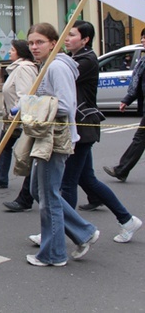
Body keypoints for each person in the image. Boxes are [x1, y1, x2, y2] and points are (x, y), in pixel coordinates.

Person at [58, 21, 141, 243]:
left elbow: (64, 76)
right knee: (87, 180)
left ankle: (63, 230)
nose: (66, 38)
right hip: (80, 125)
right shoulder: (75, 59)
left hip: (83, 126)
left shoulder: (86, 61)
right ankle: (127, 220)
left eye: (72, 35)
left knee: (67, 182)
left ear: (85, 40)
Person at [24, 23, 98, 267]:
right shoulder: (47, 65)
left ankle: (53, 254)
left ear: (53, 43)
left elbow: (66, 106)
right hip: (47, 137)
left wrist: (31, 106)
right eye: (31, 43)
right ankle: (83, 231)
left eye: (40, 42)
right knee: (38, 190)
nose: (34, 47)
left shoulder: (57, 66)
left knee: (48, 196)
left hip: (56, 138)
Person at [0, 40, 37, 192]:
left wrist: (16, 112)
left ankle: (31, 184)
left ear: (20, 52)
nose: (9, 52)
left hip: (19, 119)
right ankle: (0, 178)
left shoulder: (24, 69)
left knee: (27, 152)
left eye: (13, 49)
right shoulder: (17, 68)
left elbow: (25, 95)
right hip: (10, 119)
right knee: (4, 147)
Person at [104, 28, 145, 182]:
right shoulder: (142, 61)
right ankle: (122, 169)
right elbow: (138, 84)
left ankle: (122, 169)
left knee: (140, 139)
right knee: (140, 139)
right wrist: (126, 100)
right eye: (142, 38)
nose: (142, 41)